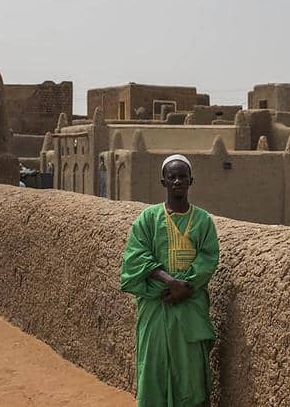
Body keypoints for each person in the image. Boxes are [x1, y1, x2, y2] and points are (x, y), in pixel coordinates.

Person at [120, 154, 220, 407]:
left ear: (191, 181)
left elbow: (208, 257)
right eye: (171, 177)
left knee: (190, 373)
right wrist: (169, 282)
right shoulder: (148, 219)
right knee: (154, 367)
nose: (177, 181)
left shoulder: (203, 221)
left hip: (190, 305)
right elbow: (136, 255)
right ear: (163, 182)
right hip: (156, 306)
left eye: (182, 176)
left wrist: (187, 287)